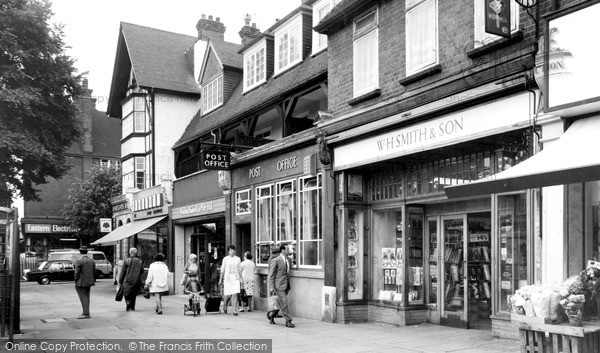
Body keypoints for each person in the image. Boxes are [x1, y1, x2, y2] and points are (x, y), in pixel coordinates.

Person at [268, 243, 294, 328]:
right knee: (284, 302)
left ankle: (271, 315)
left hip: (286, 285)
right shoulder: (276, 260)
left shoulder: (289, 260)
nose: (289, 251)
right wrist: (271, 288)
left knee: (281, 303)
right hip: (278, 285)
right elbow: (271, 275)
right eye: (287, 249)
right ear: (282, 250)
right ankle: (288, 321)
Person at [118, 247, 144, 312]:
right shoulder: (140, 261)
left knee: (126, 293)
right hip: (136, 279)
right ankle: (132, 307)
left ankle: (128, 304)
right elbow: (142, 270)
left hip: (127, 279)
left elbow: (123, 272)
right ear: (136, 252)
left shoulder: (126, 260)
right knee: (133, 293)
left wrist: (120, 281)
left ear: (130, 252)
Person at [74, 245, 95, 319]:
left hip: (81, 282)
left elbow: (76, 273)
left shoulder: (79, 261)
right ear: (87, 252)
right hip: (89, 281)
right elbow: (94, 272)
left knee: (83, 298)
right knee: (87, 297)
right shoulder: (92, 260)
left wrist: (76, 280)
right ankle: (86, 312)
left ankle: (86, 313)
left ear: (80, 252)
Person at [219, 244, 241, 315]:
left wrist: (241, 279)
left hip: (235, 277)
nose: (232, 251)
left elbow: (240, 269)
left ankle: (235, 310)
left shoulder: (238, 259)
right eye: (231, 250)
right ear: (228, 251)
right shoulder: (225, 259)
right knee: (227, 294)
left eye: (233, 250)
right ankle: (225, 304)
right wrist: (220, 279)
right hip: (228, 278)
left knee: (235, 294)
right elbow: (222, 269)